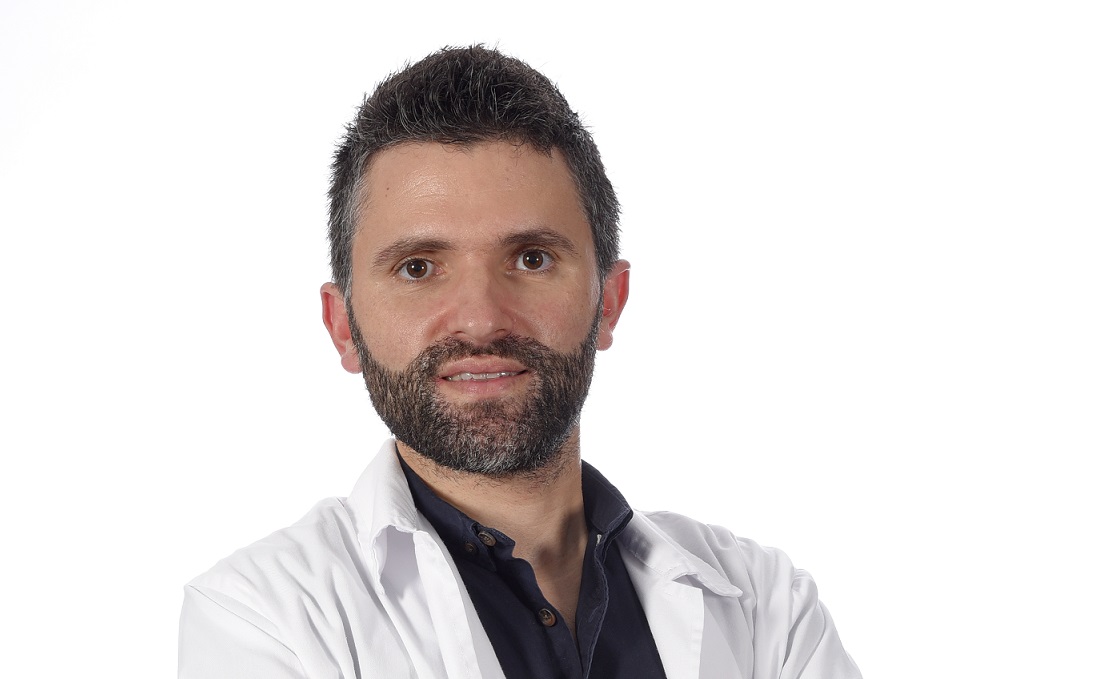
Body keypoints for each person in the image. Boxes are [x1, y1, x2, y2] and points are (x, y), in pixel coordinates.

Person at [178, 45, 861, 679]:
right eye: (418, 267)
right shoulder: (263, 616)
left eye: (531, 259)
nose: (480, 318)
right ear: (342, 326)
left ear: (608, 301)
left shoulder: (765, 606)